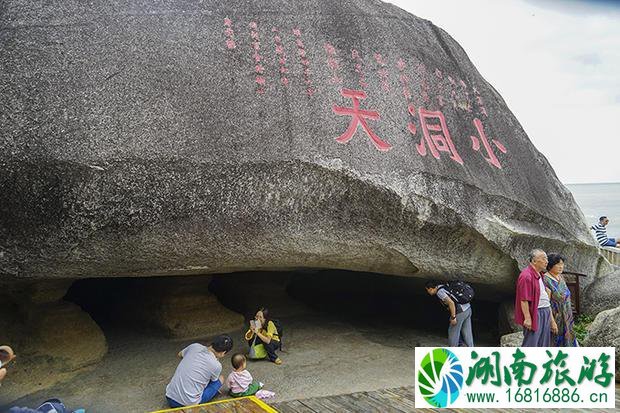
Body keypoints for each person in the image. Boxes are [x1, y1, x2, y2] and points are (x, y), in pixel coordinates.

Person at [165, 334, 233, 408]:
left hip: (170, 397)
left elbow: (179, 354)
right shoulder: (216, 365)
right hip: (188, 403)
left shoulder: (195, 346)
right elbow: (213, 380)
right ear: (223, 352)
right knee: (221, 378)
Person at [515, 249, 558, 347]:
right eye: (543, 259)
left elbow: (545, 299)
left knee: (543, 343)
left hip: (545, 311)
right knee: (532, 343)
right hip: (535, 313)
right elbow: (524, 299)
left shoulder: (540, 275)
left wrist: (552, 320)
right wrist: (527, 318)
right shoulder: (526, 276)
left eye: (546, 258)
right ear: (534, 261)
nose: (546, 261)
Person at [425, 280, 474, 347]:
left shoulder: (440, 292)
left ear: (430, 289)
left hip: (460, 312)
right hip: (468, 309)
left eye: (427, 290)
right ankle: (472, 350)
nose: (428, 292)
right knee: (467, 332)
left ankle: (453, 352)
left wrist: (453, 317)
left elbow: (451, 303)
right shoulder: (444, 286)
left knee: (453, 332)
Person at [543, 254, 578, 347]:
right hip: (556, 317)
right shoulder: (546, 280)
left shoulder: (560, 277)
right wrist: (552, 322)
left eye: (562, 264)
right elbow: (546, 304)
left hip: (567, 316)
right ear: (550, 265)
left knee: (569, 341)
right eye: (558, 264)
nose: (561, 266)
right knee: (555, 342)